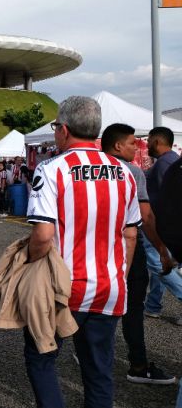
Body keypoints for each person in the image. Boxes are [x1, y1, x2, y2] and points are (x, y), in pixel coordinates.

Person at [26, 96, 141, 408]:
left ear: (63, 130)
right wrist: (120, 276)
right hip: (109, 286)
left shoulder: (52, 169)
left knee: (41, 359)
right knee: (99, 370)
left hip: (64, 287)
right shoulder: (125, 172)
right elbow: (130, 234)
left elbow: (43, 235)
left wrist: (28, 269)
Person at [101, 123, 176, 385]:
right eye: (133, 143)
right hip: (126, 251)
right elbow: (146, 216)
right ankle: (138, 365)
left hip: (91, 253)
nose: (137, 147)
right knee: (132, 308)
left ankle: (91, 353)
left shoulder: (86, 170)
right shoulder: (132, 172)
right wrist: (162, 250)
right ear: (118, 145)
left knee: (94, 306)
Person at [143, 126, 181, 320]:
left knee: (158, 262)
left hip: (157, 225)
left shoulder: (165, 165)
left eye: (149, 140)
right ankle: (153, 305)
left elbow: (169, 200)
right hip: (163, 225)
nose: (147, 144)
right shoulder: (170, 161)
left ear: (157, 142)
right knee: (160, 262)